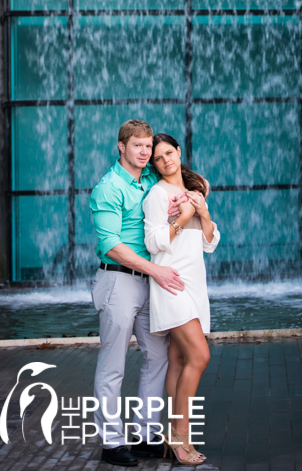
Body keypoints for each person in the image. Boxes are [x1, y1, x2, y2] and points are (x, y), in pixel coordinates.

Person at [89, 119, 188, 467]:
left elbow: (186, 185)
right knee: (112, 365)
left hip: (149, 282)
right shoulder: (108, 188)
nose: (145, 152)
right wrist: (157, 270)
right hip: (118, 280)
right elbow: (111, 246)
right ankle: (111, 443)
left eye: (148, 146)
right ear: (121, 146)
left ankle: (145, 434)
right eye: (138, 146)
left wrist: (187, 202)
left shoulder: (149, 178)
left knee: (157, 357)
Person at [143, 133, 220, 466]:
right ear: (154, 164)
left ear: (178, 152)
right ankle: (178, 437)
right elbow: (153, 242)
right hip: (171, 283)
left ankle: (176, 437)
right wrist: (183, 217)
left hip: (194, 283)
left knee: (178, 361)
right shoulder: (157, 195)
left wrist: (201, 211)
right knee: (200, 356)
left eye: (169, 153)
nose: (165, 161)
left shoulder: (194, 191)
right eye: (158, 158)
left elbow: (210, 243)